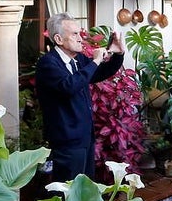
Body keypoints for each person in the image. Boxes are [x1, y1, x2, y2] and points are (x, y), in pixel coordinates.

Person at [35, 12, 124, 186]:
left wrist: (117, 55)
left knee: (84, 189)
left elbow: (99, 73)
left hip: (85, 137)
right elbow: (69, 86)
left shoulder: (78, 60)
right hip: (66, 140)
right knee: (68, 191)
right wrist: (95, 61)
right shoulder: (48, 64)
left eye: (80, 33)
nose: (80, 38)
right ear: (59, 39)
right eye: (74, 34)